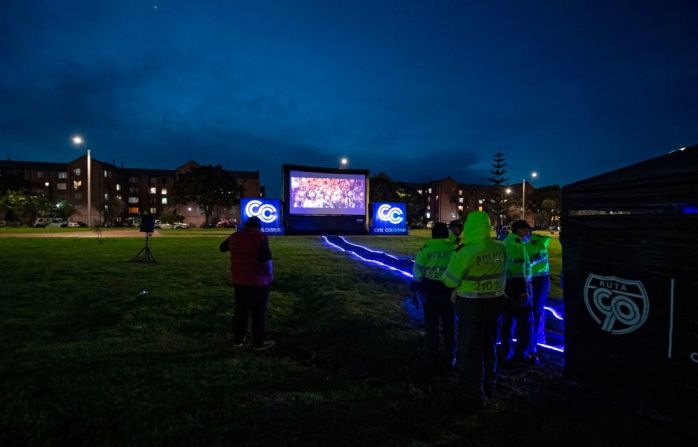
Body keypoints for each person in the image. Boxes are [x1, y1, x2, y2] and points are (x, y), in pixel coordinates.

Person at [442, 211, 508, 409]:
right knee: (489, 346)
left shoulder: (466, 251)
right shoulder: (500, 247)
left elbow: (448, 280)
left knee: (470, 349)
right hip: (495, 303)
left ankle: (471, 394)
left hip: (472, 305)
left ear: (469, 226)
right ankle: (490, 385)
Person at [219, 216, 275, 350]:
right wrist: (270, 275)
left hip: (239, 281)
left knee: (240, 312)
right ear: (259, 226)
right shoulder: (261, 238)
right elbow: (266, 261)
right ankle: (259, 343)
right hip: (258, 282)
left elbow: (222, 248)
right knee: (258, 313)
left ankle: (238, 340)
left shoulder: (235, 236)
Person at [411, 222, 456, 369]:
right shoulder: (454, 248)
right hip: (450, 292)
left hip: (431, 291)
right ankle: (450, 355)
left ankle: (431, 354)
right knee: (449, 325)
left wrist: (417, 284)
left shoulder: (426, 248)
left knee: (431, 325)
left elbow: (418, 269)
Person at [499, 219, 535, 365]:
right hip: (517, 289)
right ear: (519, 230)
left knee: (507, 322)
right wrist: (523, 291)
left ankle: (506, 352)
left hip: (508, 288)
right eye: (527, 230)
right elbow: (518, 270)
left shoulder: (508, 243)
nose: (528, 233)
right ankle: (521, 353)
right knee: (524, 323)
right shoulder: (516, 245)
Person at [525, 231, 552, 354]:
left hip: (539, 279)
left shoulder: (538, 242)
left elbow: (540, 257)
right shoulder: (520, 242)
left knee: (536, 310)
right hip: (529, 278)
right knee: (530, 310)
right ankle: (532, 338)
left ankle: (535, 340)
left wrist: (525, 263)